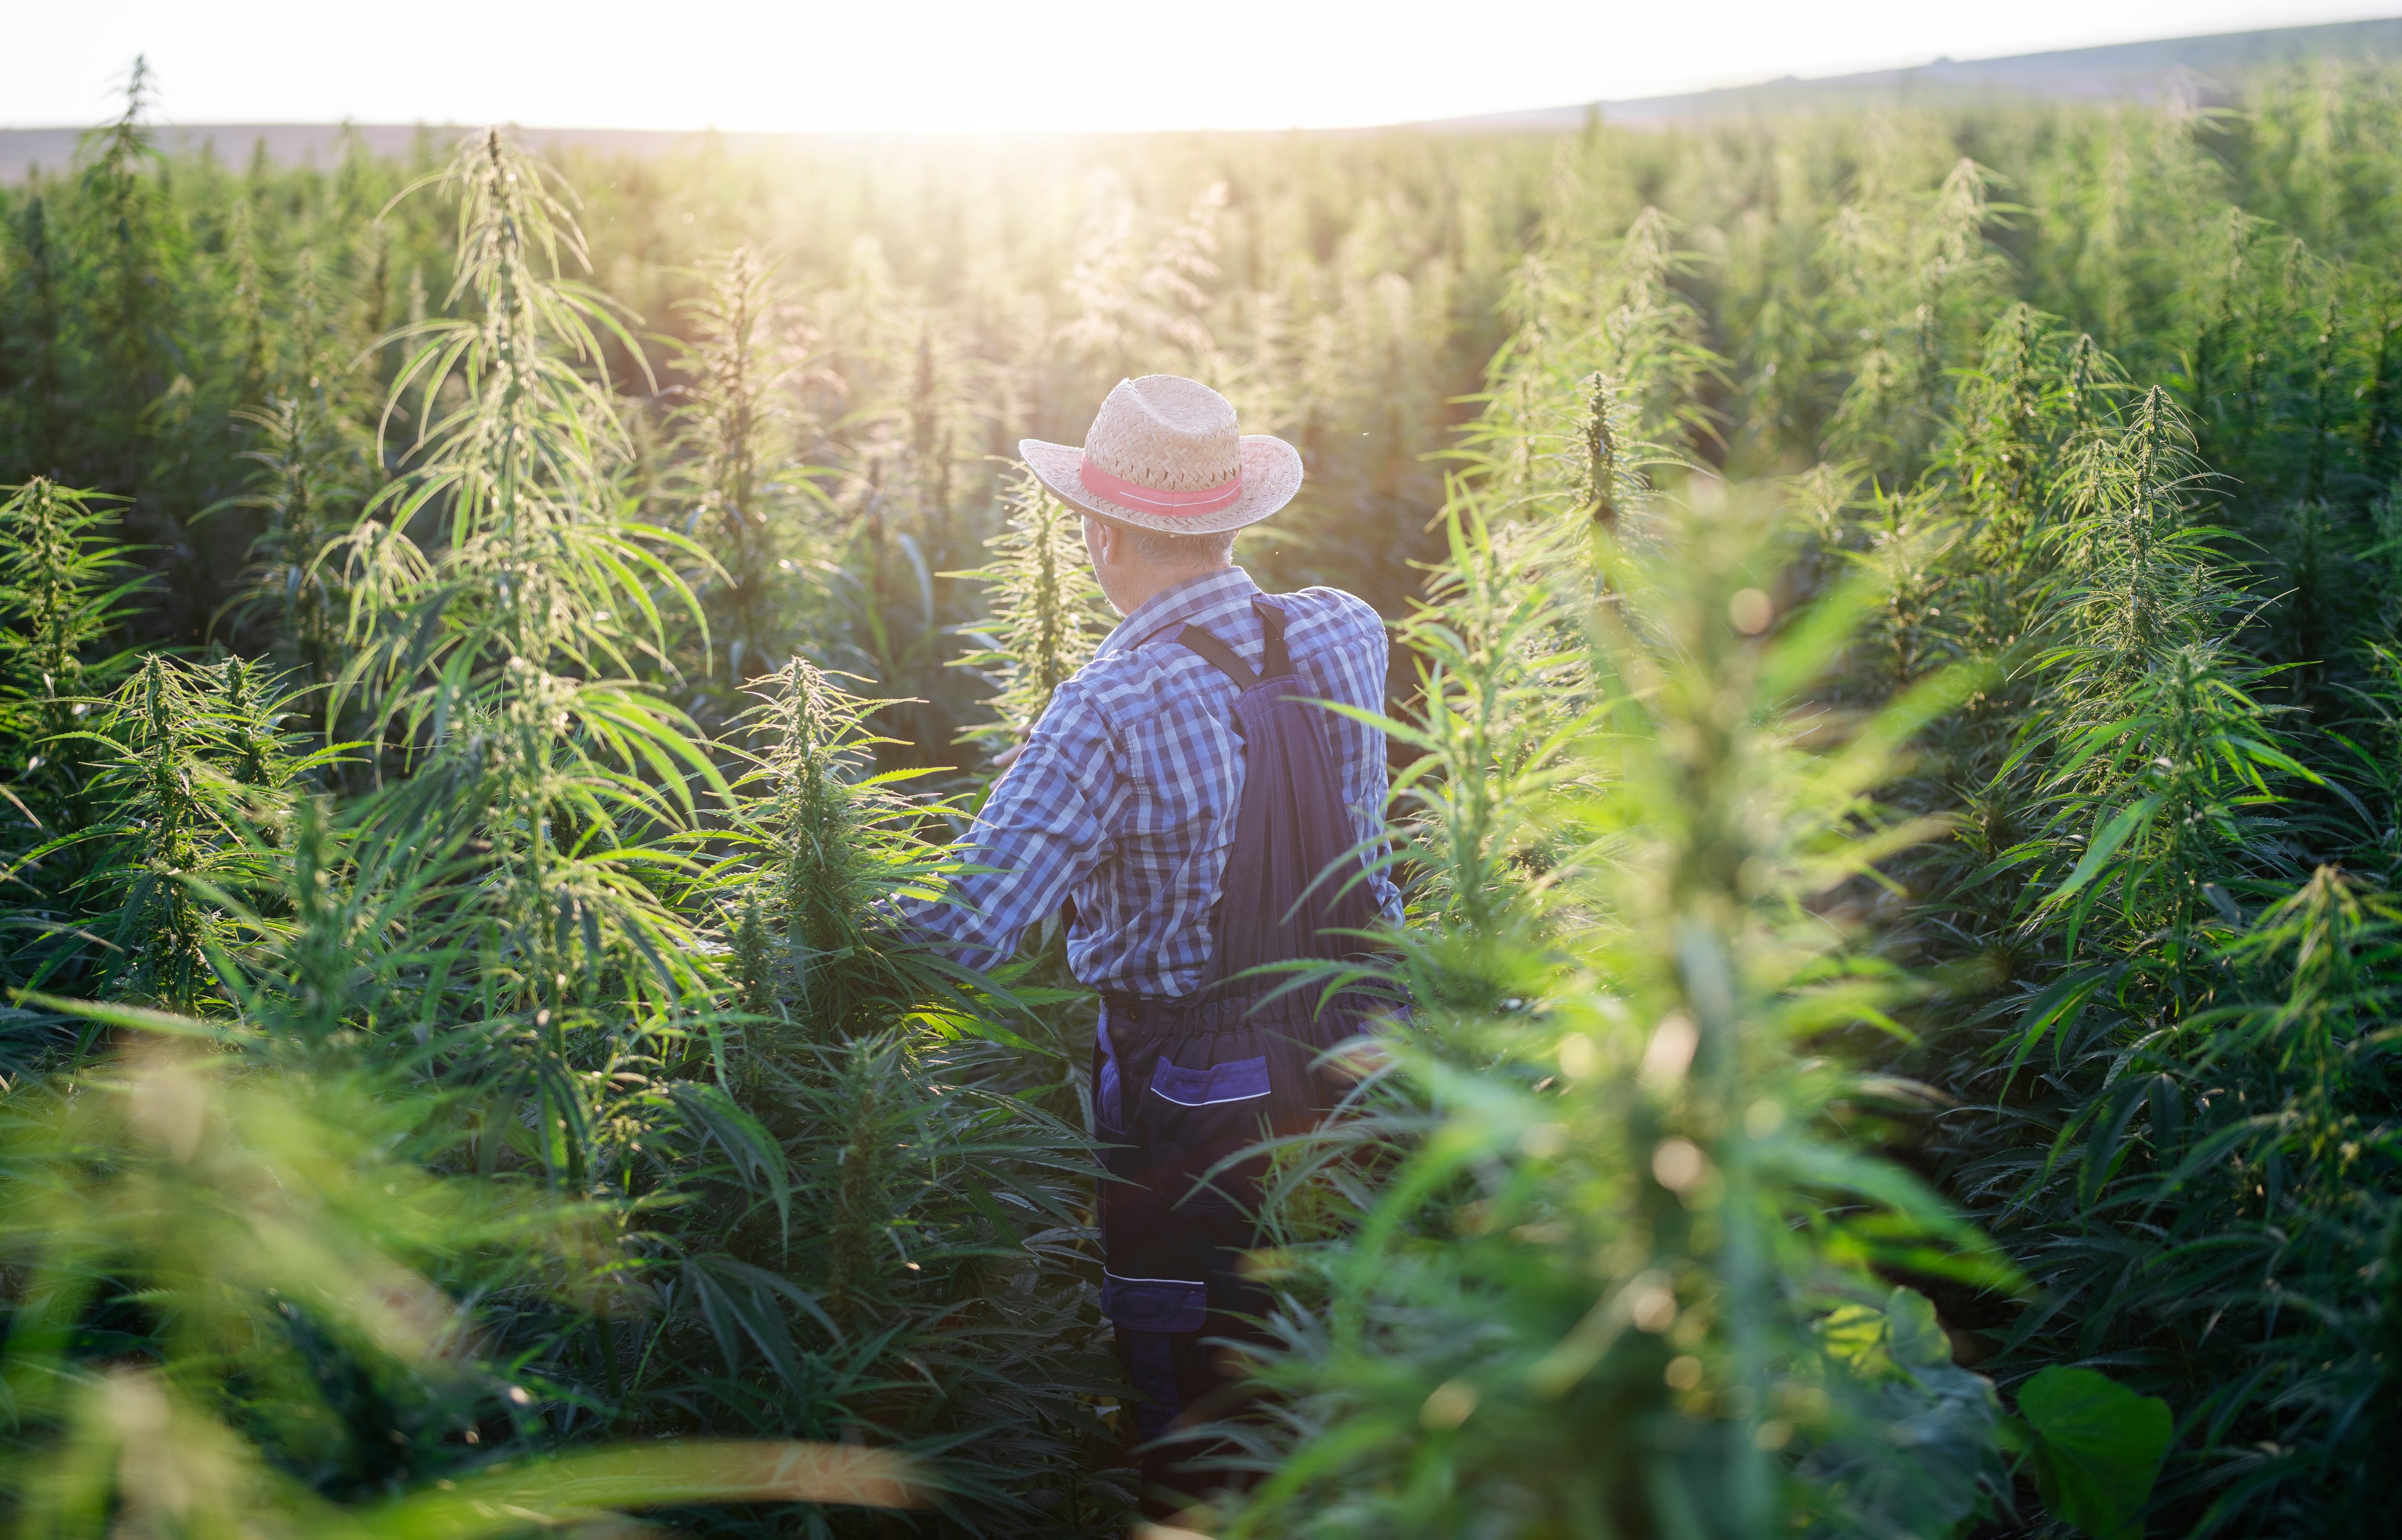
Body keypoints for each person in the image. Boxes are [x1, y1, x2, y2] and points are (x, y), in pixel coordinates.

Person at [901, 375, 1402, 1522]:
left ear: (1102, 530)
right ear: (1232, 519)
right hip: (1372, 1053)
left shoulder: (1109, 707)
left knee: (1202, 1408)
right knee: (1357, 1368)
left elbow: (966, 929)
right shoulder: (1348, 630)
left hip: (1196, 1103)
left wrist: (805, 911)